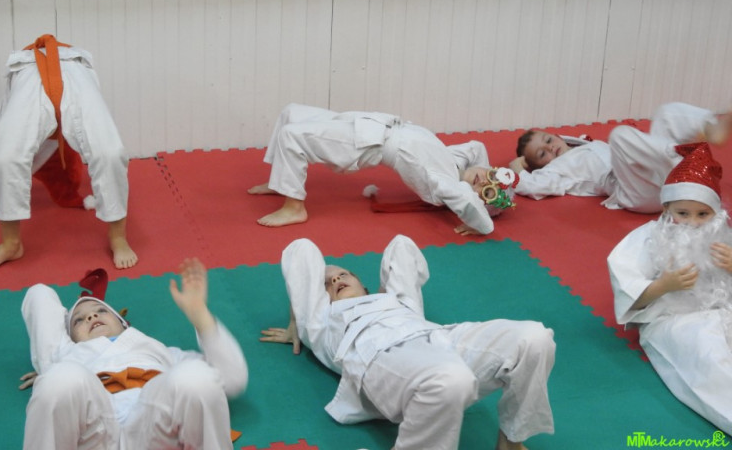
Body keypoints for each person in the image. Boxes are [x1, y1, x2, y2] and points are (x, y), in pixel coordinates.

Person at [260, 234, 556, 450]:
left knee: (534, 339)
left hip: (438, 338)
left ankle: (510, 441)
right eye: (326, 283)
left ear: (365, 286)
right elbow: (301, 253)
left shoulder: (400, 301)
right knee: (451, 379)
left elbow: (401, 246)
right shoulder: (323, 321)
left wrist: (385, 291)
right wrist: (296, 321)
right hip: (380, 356)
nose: (335, 280)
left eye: (342, 274)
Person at [20, 258, 248, 449]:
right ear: (69, 337)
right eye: (78, 320)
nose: (91, 316)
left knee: (196, 376)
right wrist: (49, 372)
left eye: (101, 310)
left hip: (155, 426)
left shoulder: (160, 351)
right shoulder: (67, 353)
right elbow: (39, 297)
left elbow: (231, 378)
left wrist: (200, 315)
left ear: (123, 324)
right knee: (59, 378)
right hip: (95, 431)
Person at [0, 34, 136, 273]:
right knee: (6, 158)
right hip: (29, 72)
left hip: (74, 70)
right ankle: (11, 244)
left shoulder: (79, 88)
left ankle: (118, 237)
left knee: (110, 154)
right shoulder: (18, 102)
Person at [607, 142, 732, 433]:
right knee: (708, 356)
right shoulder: (649, 238)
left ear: (716, 213)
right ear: (666, 208)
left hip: (724, 310)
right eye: (683, 213)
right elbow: (629, 295)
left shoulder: (724, 236)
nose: (692, 223)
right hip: (674, 320)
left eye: (703, 215)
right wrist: (664, 285)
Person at [248, 103, 518, 235]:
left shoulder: (445, 183)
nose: (484, 180)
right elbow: (477, 147)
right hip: (371, 124)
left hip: (366, 145)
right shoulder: (456, 160)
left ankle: (294, 207)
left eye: (486, 191)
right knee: (291, 112)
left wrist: (482, 225)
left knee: (292, 136)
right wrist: (489, 173)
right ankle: (280, 181)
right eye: (491, 177)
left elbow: (470, 205)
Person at [510, 101, 732, 213]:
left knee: (666, 113)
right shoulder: (556, 170)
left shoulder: (583, 144)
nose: (550, 148)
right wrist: (517, 166)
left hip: (655, 170)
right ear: (539, 166)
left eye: (549, 140)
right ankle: (682, 160)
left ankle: (710, 126)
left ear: (558, 136)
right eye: (542, 154)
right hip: (636, 193)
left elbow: (565, 140)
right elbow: (532, 185)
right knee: (619, 135)